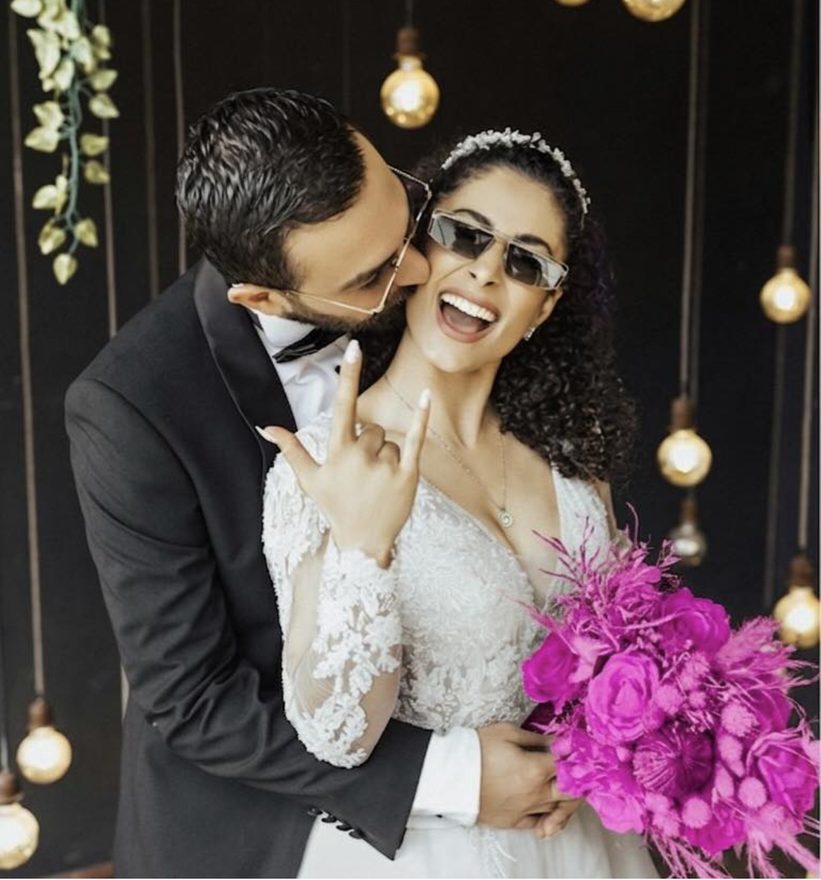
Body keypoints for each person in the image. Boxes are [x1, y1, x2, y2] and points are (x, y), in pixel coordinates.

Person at [66, 92, 570, 878]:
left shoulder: (450, 293)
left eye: (405, 213)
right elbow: (195, 700)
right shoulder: (133, 408)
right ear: (264, 299)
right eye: (374, 275)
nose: (415, 271)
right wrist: (455, 778)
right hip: (253, 826)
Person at [260, 128, 659, 878]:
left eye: (523, 260)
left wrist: (601, 751)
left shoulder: (576, 455)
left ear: (545, 303)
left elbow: (609, 656)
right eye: (463, 236)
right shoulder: (329, 459)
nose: (483, 273)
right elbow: (334, 733)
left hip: (581, 848)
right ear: (417, 248)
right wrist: (361, 544)